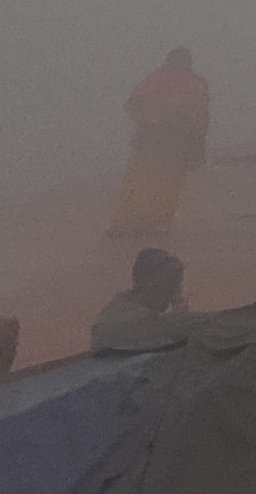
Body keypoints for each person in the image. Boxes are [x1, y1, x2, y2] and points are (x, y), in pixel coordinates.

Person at [110, 49, 211, 239]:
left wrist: (148, 122)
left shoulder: (154, 79)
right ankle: (154, 222)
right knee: (167, 183)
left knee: (141, 181)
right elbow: (200, 115)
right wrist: (196, 136)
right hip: (176, 141)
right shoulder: (194, 84)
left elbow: (133, 104)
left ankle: (127, 222)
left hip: (150, 139)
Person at [90, 249, 192, 353]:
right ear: (153, 285)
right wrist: (180, 314)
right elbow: (174, 336)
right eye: (173, 285)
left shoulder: (119, 311)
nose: (176, 292)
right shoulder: (134, 323)